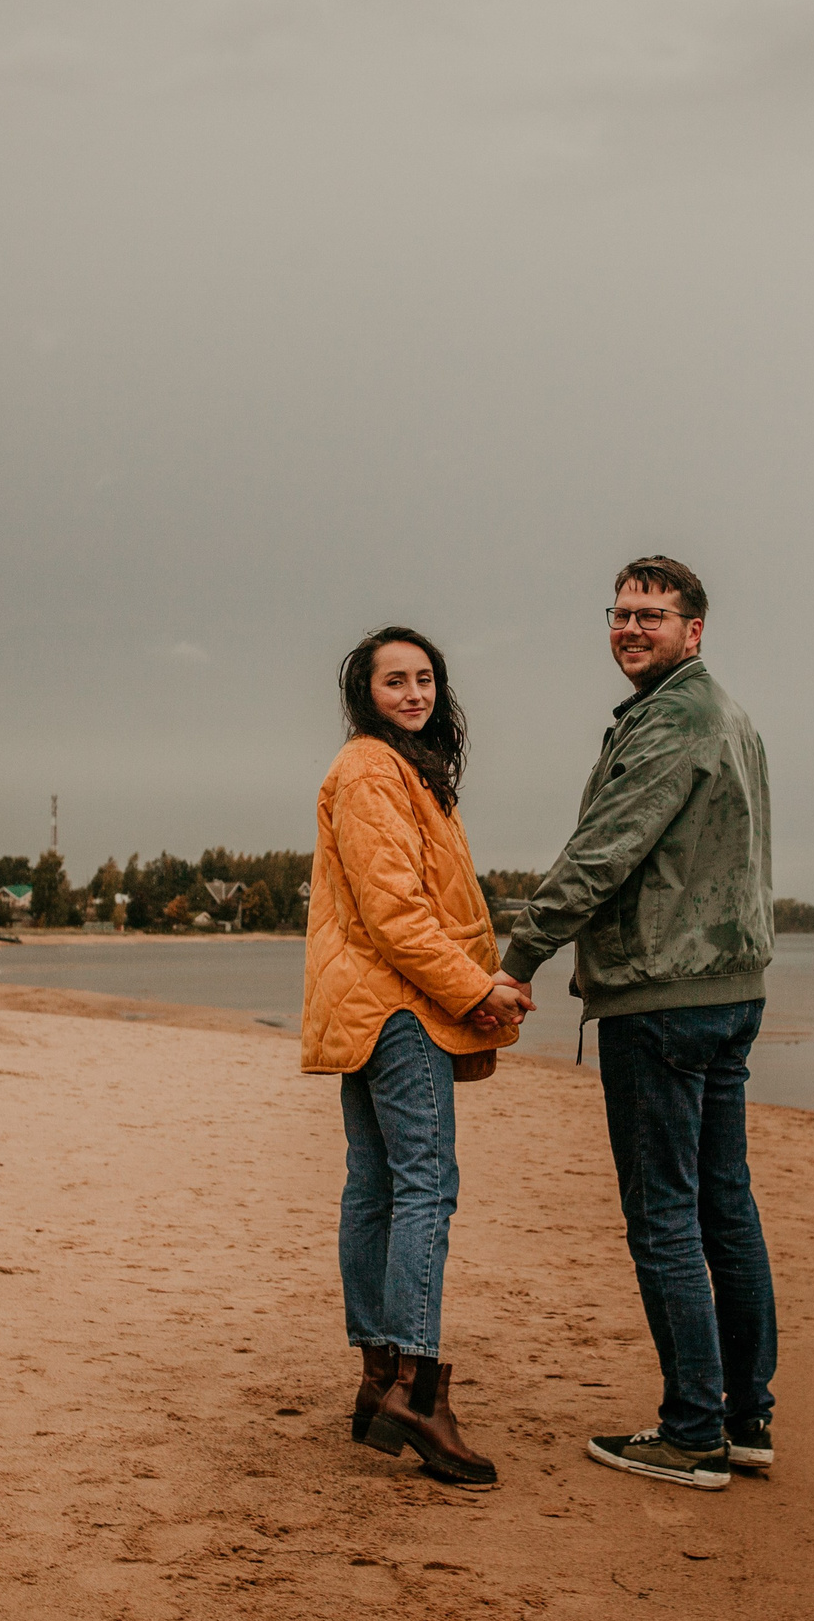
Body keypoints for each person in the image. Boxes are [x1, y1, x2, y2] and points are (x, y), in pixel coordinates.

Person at [493, 556, 777, 1492]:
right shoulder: (727, 717)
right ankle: (745, 1417)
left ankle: (694, 1429)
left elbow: (602, 853)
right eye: (619, 612)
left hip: (664, 996)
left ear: (694, 631)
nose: (630, 627)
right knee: (722, 1205)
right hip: (730, 988)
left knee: (664, 1215)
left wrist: (520, 953)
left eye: (652, 615)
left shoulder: (674, 722)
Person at [302, 625, 529, 1488]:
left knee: (379, 1181)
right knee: (425, 1183)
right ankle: (416, 1387)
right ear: (364, 692)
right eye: (394, 680)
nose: (414, 692)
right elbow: (396, 913)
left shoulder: (402, 769)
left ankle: (376, 1382)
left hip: (368, 999)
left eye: (424, 677)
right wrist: (478, 987)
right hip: (397, 1005)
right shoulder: (370, 769)